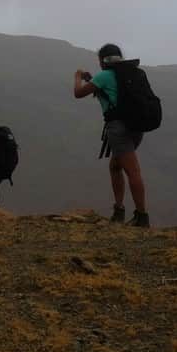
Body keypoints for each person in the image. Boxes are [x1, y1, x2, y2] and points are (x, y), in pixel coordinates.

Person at [73, 44, 150, 227]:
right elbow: (111, 93)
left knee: (132, 171)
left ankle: (141, 216)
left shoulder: (105, 76)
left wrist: (78, 78)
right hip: (136, 126)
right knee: (115, 166)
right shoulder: (131, 74)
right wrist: (92, 79)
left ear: (102, 61)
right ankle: (119, 210)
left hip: (118, 129)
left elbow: (78, 93)